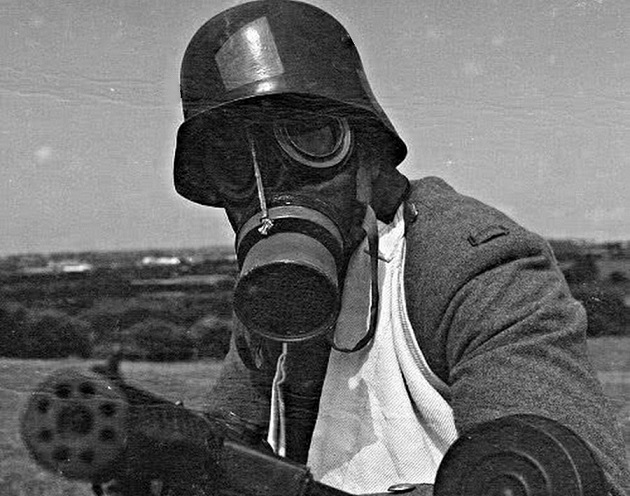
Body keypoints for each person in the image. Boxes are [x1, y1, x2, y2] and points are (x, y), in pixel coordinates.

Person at [172, 1, 630, 494]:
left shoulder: (475, 269)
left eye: (311, 139)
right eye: (234, 166)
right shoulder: (278, 293)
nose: (271, 193)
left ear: (370, 152)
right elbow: (228, 443)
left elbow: (561, 479)